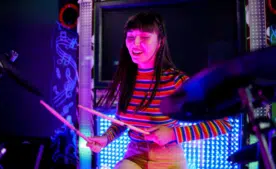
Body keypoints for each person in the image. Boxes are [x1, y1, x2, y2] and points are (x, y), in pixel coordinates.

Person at [86, 11, 232, 169]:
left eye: (144, 37)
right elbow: (122, 122)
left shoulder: (177, 81)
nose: (135, 43)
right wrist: (105, 138)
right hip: (135, 156)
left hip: (169, 158)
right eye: (130, 37)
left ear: (160, 42)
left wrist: (173, 134)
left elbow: (223, 123)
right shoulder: (126, 81)